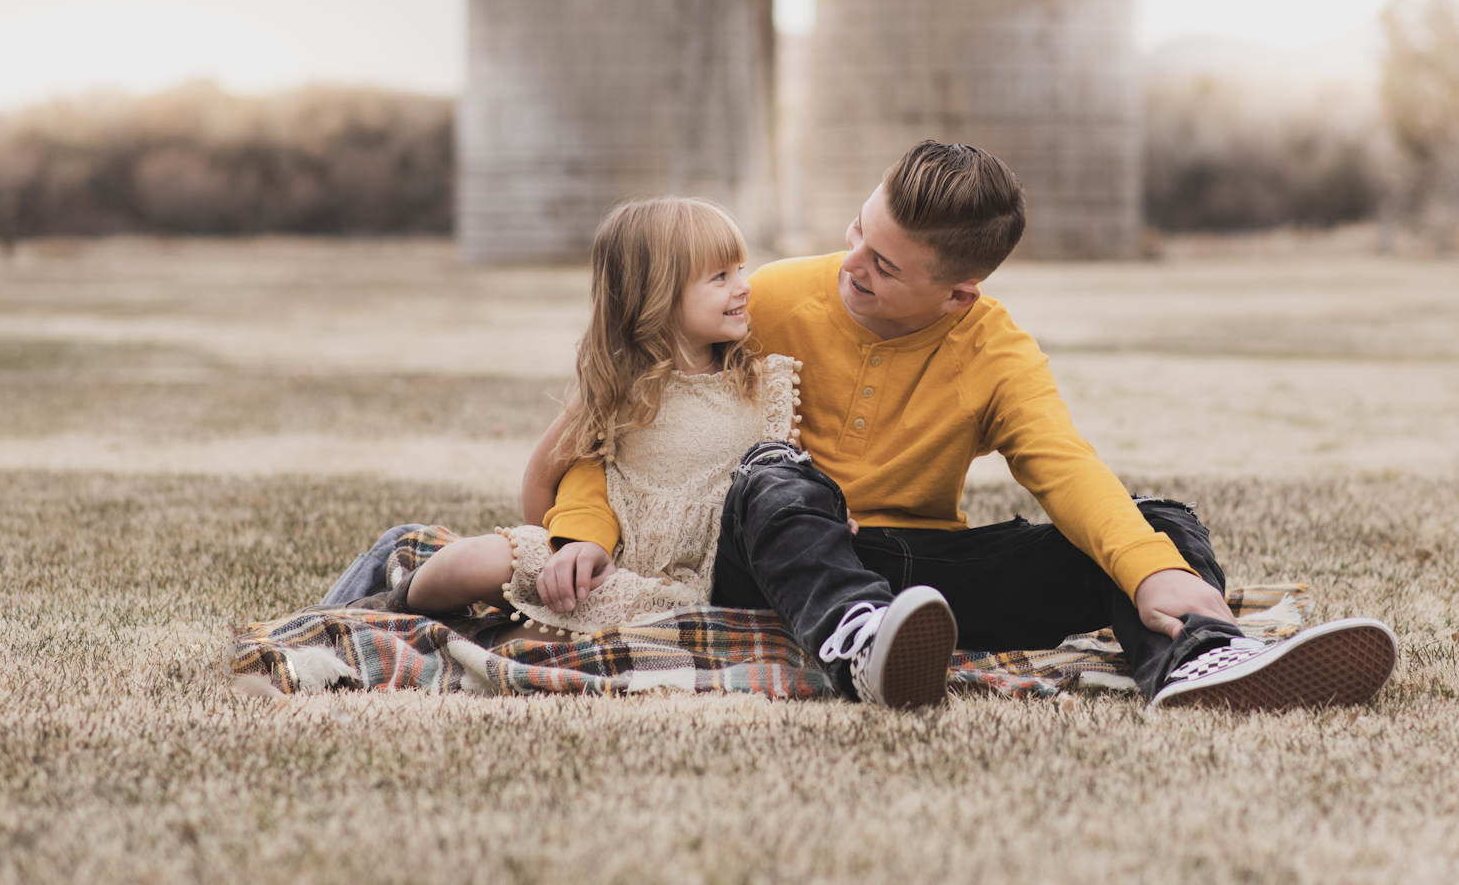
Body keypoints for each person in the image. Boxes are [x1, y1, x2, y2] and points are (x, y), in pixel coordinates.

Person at [536, 140, 1398, 711]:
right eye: (858, 233)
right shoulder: (758, 300)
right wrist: (577, 527)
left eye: (882, 265)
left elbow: (1067, 470)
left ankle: (1200, 659)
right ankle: (854, 640)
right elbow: (612, 439)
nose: (852, 265)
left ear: (958, 293)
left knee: (1159, 525)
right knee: (772, 467)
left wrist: (1147, 570)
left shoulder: (995, 349)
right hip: (778, 558)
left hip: (925, 575)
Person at [328, 196, 805, 638]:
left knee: (547, 636)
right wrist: (568, 552)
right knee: (473, 561)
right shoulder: (623, 389)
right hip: (599, 575)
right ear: (655, 295)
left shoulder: (764, 387)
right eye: (720, 277)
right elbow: (543, 477)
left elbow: (789, 480)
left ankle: (472, 630)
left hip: (683, 597)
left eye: (740, 270)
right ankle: (388, 606)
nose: (744, 287)